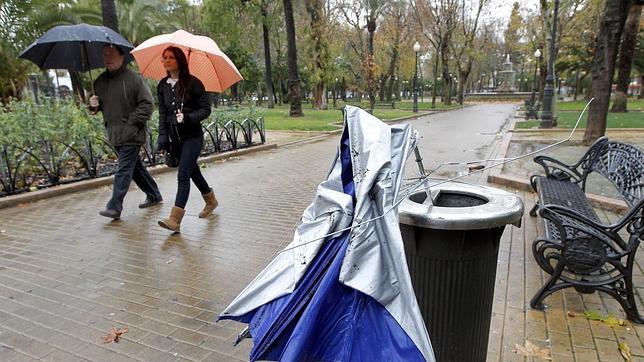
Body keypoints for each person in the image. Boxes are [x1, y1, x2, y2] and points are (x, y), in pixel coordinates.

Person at [89, 45, 163, 220]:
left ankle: (114, 206)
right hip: (114, 134)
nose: (108, 58)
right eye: (105, 55)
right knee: (135, 168)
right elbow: (96, 109)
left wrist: (131, 123)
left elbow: (147, 104)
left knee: (123, 169)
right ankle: (154, 195)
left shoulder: (133, 79)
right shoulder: (99, 82)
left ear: (122, 57)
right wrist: (92, 105)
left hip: (132, 133)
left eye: (112, 55)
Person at [156, 46, 217, 232]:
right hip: (176, 139)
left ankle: (175, 219)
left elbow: (206, 109)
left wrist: (188, 117)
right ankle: (211, 200)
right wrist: (163, 139)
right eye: (164, 58)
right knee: (193, 171)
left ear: (179, 60)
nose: (166, 61)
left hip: (193, 137)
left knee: (183, 174)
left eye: (171, 58)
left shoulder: (194, 83)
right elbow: (163, 114)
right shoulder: (162, 86)